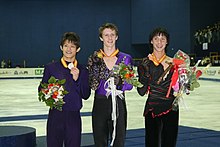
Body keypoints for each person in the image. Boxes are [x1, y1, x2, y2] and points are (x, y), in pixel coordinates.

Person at [38, 32, 91, 147]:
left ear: (78, 49)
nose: (69, 49)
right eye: (66, 45)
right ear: (61, 47)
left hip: (73, 117)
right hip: (55, 115)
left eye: (72, 46)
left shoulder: (83, 70)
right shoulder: (51, 68)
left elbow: (86, 94)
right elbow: (41, 89)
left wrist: (77, 79)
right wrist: (48, 91)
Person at [87, 23, 133, 147]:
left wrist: (121, 84)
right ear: (101, 38)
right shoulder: (94, 58)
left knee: (119, 141)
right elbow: (93, 85)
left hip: (118, 103)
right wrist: (96, 68)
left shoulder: (125, 58)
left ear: (117, 37)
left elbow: (130, 85)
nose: (110, 38)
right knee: (100, 141)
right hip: (100, 104)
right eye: (106, 35)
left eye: (112, 35)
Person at [137, 27, 179, 147]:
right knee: (152, 143)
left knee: (170, 142)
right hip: (152, 108)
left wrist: (186, 83)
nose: (159, 42)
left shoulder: (175, 63)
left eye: (162, 39)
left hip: (171, 107)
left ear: (167, 42)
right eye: (156, 39)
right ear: (151, 41)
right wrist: (144, 77)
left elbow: (180, 88)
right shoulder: (145, 63)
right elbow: (141, 91)